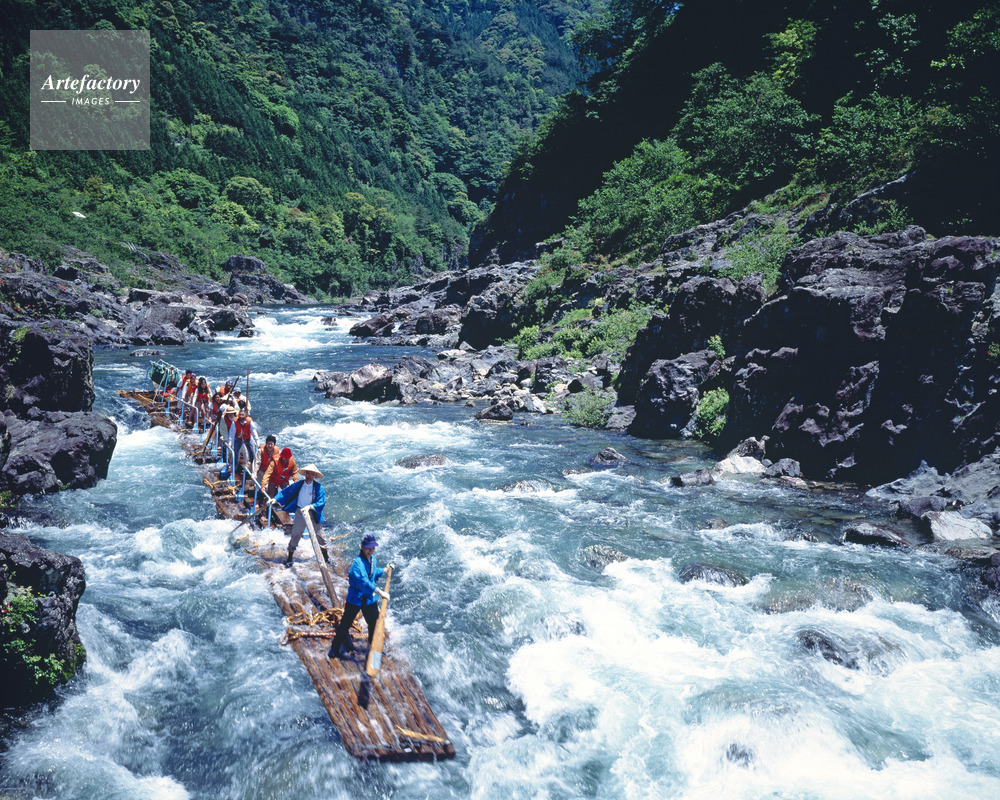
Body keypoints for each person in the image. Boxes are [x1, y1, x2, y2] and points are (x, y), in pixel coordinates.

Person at [328, 534, 392, 659]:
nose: (370, 550)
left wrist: (384, 570)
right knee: (345, 624)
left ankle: (372, 647)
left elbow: (372, 573)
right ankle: (334, 648)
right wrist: (379, 591)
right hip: (356, 598)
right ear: (362, 547)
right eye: (368, 548)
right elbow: (364, 581)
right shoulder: (357, 564)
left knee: (374, 624)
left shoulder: (372, 559)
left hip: (369, 599)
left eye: (373, 548)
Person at [270, 464, 327, 566]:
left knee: (320, 536)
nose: (309, 476)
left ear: (314, 476)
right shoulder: (299, 485)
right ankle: (289, 558)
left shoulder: (319, 488)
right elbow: (286, 492)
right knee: (295, 535)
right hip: (300, 512)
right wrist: (275, 499)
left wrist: (310, 506)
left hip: (313, 513)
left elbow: (321, 502)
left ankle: (326, 558)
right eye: (308, 474)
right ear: (305, 474)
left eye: (312, 474)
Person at [228, 407, 259, 477]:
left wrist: (257, 442)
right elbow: (232, 433)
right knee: (235, 453)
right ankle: (234, 467)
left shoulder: (250, 421)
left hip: (248, 438)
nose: (241, 416)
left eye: (243, 415)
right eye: (240, 415)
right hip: (238, 438)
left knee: (252, 452)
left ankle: (253, 467)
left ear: (246, 416)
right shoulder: (235, 422)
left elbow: (254, 432)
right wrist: (230, 443)